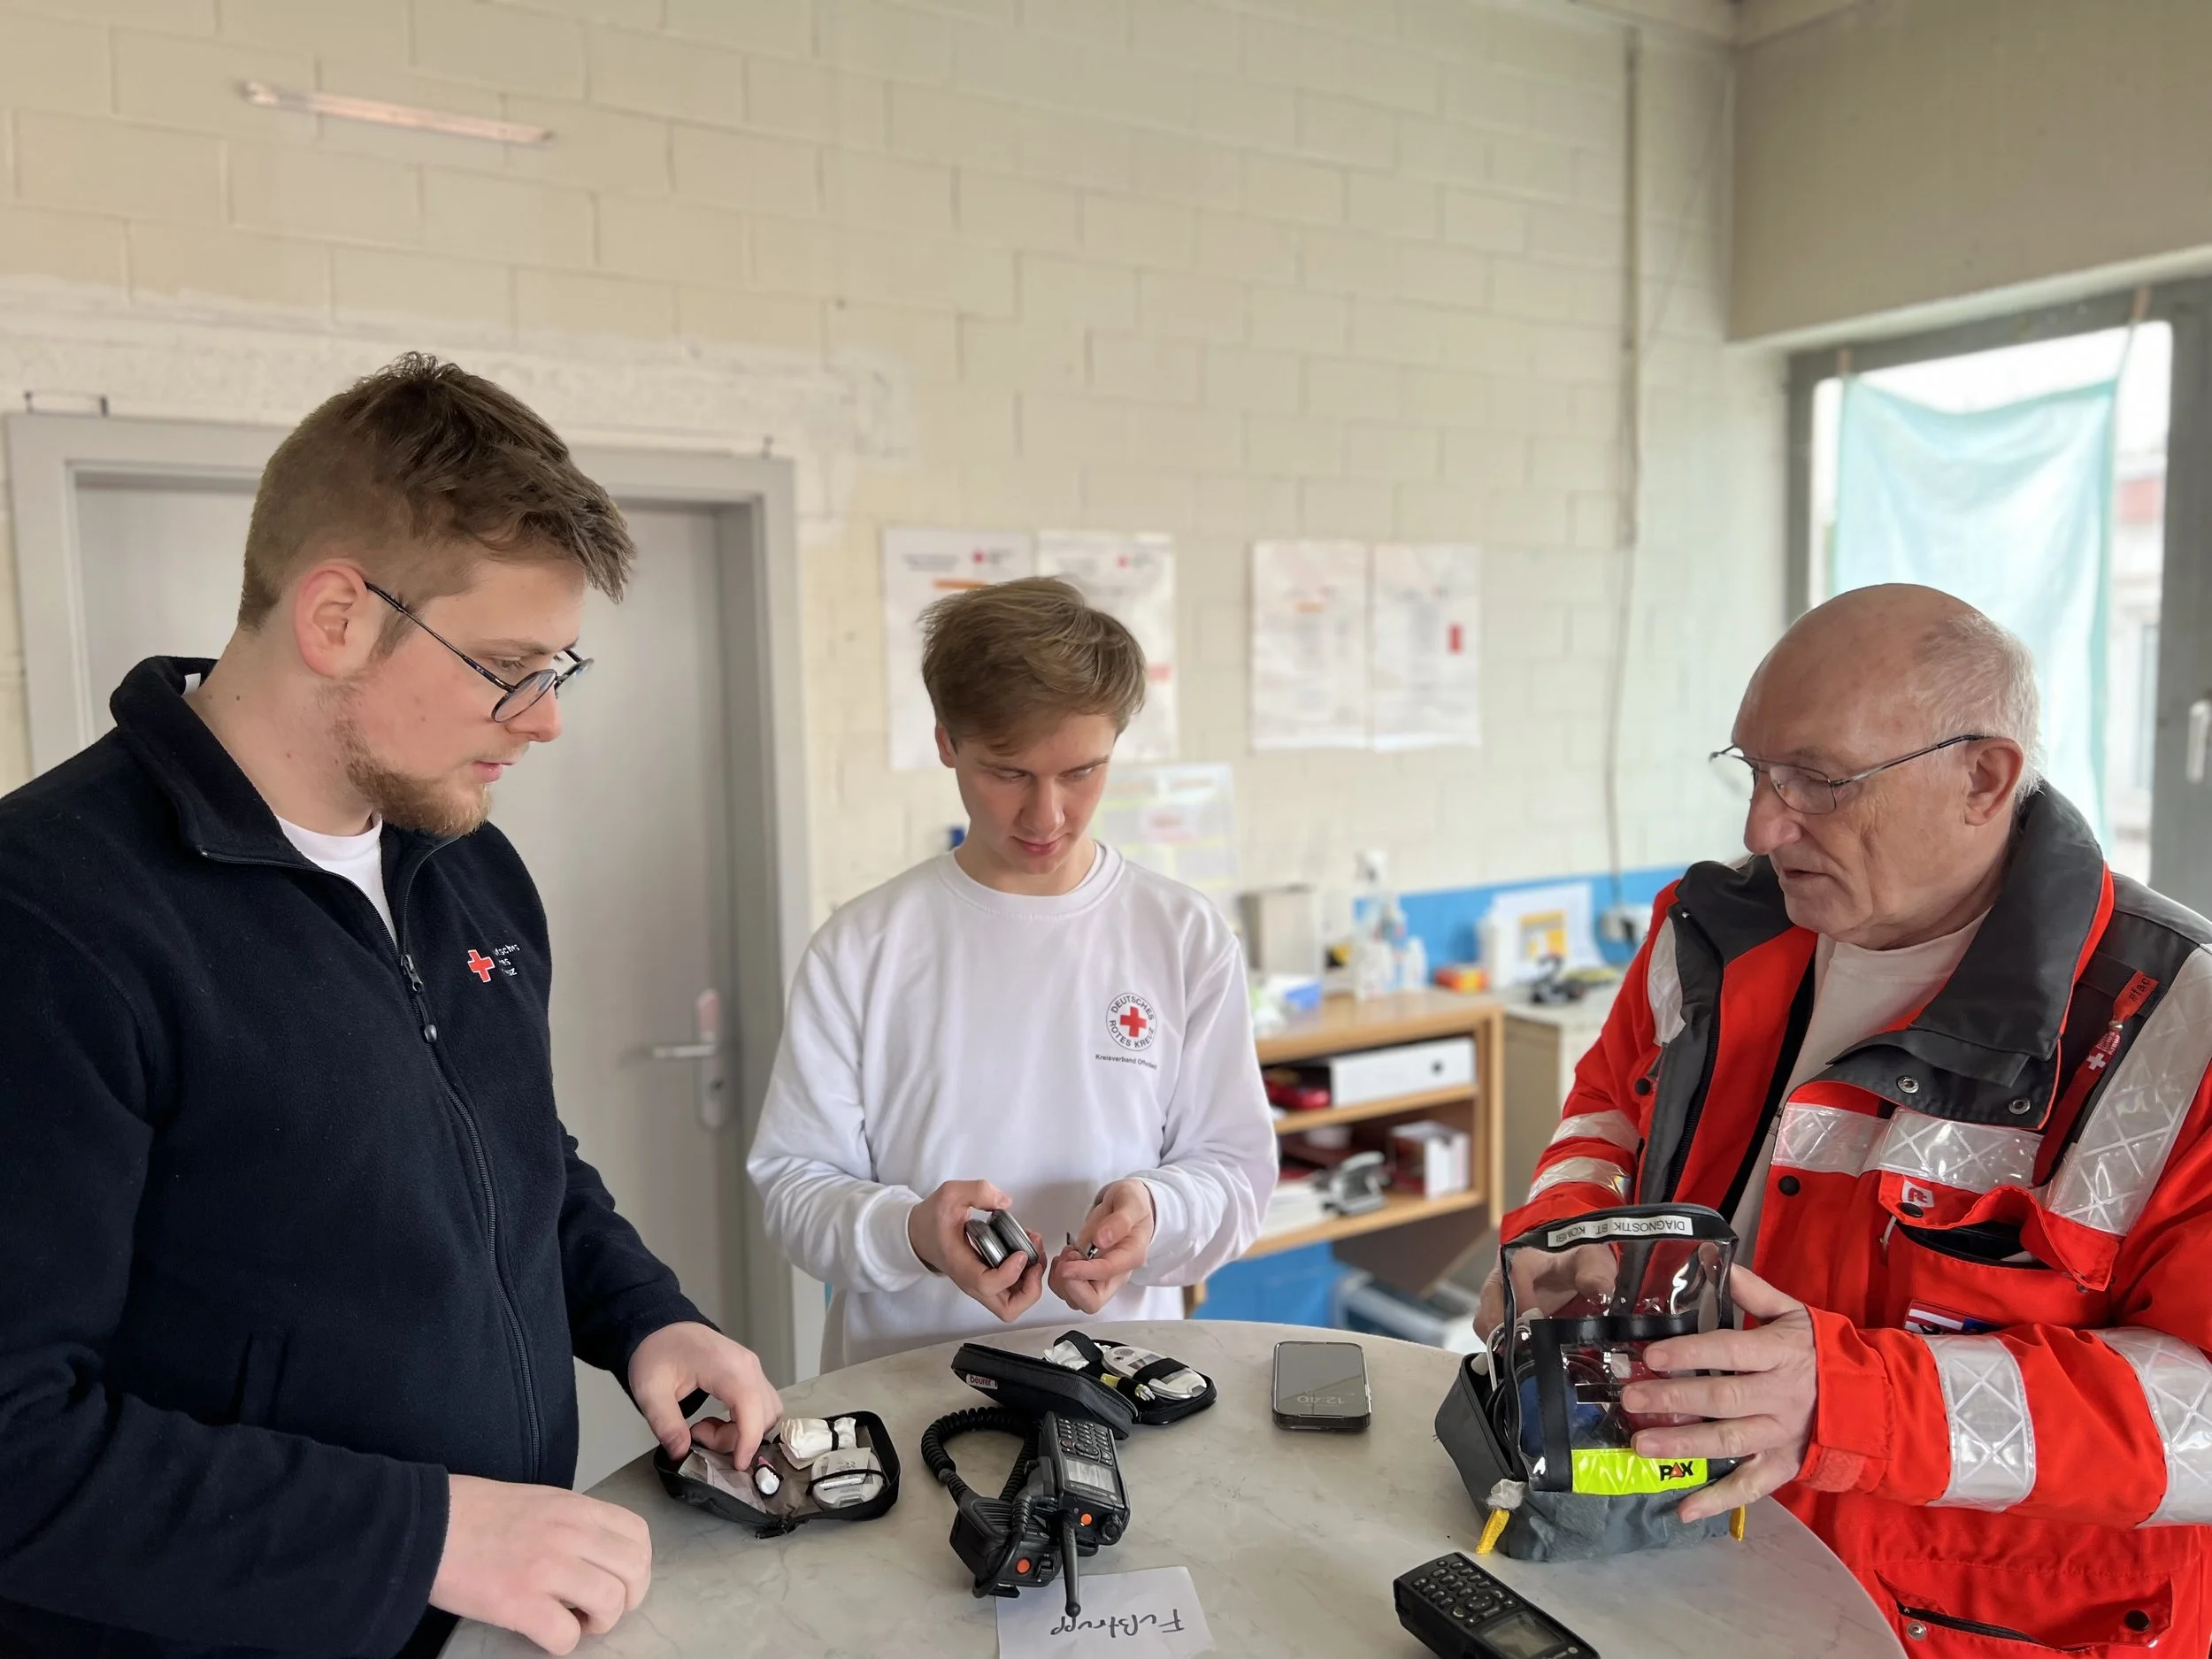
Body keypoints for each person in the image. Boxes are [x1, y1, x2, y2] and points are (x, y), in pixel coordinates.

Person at [0, 356, 783, 1659]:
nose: (542, 722)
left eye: (557, 669)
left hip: (482, 1613)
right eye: (505, 666)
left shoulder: (464, 858)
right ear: (337, 617)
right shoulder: (50, 918)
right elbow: (17, 1437)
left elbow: (515, 1149)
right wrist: (420, 1532)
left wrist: (647, 1313)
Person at [1492, 584, 2212, 1653]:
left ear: (1982, 777)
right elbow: (1605, 1115)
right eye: (1752, 773)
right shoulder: (1714, 933)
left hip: (1966, 1622)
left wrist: (1850, 1399)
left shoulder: (2177, 1029)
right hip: (1685, 1561)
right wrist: (1565, 1234)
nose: (1761, 825)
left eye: (1817, 781)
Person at [748, 578, 1276, 1369]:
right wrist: (914, 1233)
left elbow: (1236, 1175)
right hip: (909, 1380)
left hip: (1122, 1379)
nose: (1047, 816)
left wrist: (1157, 1212)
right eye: (1009, 773)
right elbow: (793, 1188)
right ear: (945, 742)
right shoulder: (862, 947)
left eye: (1082, 772)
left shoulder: (1182, 934)